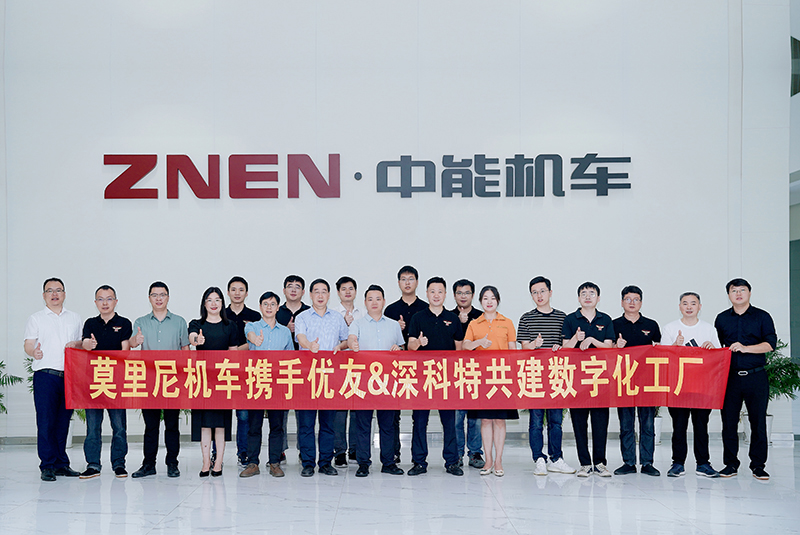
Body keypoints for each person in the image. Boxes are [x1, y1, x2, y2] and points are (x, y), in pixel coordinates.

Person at [714, 278, 777, 481]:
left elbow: (770, 344)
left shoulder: (762, 316)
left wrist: (745, 348)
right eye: (734, 291)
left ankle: (758, 466)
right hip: (730, 378)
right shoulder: (722, 318)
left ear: (749, 293)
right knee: (728, 422)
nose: (738, 294)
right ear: (729, 295)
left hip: (756, 376)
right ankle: (730, 464)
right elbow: (718, 347)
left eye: (742, 290)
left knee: (757, 422)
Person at [23, 278, 83, 482]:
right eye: (50, 290)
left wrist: (77, 344)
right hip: (45, 376)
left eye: (58, 290)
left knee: (63, 422)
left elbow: (81, 343)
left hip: (69, 376)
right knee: (46, 421)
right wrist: (34, 352)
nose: (54, 294)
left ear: (64, 294)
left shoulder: (74, 318)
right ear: (44, 295)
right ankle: (47, 465)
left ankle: (61, 464)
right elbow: (28, 344)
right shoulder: (36, 318)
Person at [130, 281, 189, 479]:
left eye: (162, 294)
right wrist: (135, 341)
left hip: (172, 381)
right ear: (149, 298)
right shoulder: (140, 322)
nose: (158, 298)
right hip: (149, 381)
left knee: (172, 425)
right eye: (154, 295)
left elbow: (185, 350)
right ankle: (149, 464)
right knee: (151, 426)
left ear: (168, 297)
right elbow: (131, 344)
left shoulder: (179, 322)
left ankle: (172, 463)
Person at [517, 276, 575, 476]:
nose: (539, 295)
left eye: (542, 291)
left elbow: (568, 346)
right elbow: (524, 348)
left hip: (556, 374)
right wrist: (535, 345)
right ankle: (539, 459)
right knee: (535, 421)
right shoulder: (526, 318)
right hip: (534, 375)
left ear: (550, 292)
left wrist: (560, 348)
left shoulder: (562, 317)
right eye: (534, 292)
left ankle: (556, 458)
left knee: (556, 421)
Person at [346, 284, 406, 477]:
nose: (374, 302)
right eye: (370, 299)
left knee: (387, 425)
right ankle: (363, 463)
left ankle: (388, 462)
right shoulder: (357, 324)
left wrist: (399, 350)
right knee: (363, 425)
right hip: (364, 381)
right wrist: (353, 344)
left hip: (388, 382)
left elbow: (402, 349)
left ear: (384, 302)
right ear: (365, 302)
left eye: (378, 299)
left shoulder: (393, 325)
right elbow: (351, 339)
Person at [407, 277, 463, 476]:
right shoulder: (418, 317)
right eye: (432, 291)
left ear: (445, 294)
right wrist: (419, 343)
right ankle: (419, 462)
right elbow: (410, 346)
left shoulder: (453, 318)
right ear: (427, 294)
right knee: (419, 421)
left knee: (449, 422)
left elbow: (459, 350)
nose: (436, 295)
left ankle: (452, 462)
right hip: (422, 378)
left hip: (446, 378)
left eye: (440, 291)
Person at [662, 292, 721, 478]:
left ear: (699, 307)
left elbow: (719, 357)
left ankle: (703, 463)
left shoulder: (709, 329)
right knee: (679, 426)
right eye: (685, 303)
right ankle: (677, 463)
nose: (689, 307)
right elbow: (663, 357)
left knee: (701, 426)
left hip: (702, 386)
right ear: (679, 306)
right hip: (678, 386)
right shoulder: (670, 328)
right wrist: (675, 345)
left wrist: (712, 349)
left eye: (693, 303)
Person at [294, 279, 349, 477]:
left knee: (328, 423)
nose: (320, 295)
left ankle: (326, 462)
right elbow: (300, 337)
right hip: (307, 376)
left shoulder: (337, 317)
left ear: (329, 295)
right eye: (316, 291)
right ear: (310, 295)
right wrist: (309, 345)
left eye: (324, 291)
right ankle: (308, 463)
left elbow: (346, 340)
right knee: (306, 423)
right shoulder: (302, 317)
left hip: (330, 378)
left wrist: (340, 346)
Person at [462, 286, 517, 477]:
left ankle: (499, 460)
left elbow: (513, 350)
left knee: (500, 420)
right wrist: (479, 343)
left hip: (502, 377)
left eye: (492, 298)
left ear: (498, 301)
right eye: (485, 298)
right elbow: (465, 345)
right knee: (485, 420)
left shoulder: (507, 322)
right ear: (480, 302)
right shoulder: (474, 323)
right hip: (481, 378)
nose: (489, 301)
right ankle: (488, 460)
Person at [562, 281, 615, 478]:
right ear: (578, 298)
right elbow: (565, 348)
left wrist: (592, 340)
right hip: (577, 380)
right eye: (583, 293)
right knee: (579, 423)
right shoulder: (570, 319)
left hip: (600, 379)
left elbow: (609, 347)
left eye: (592, 293)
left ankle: (600, 463)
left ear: (598, 298)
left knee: (600, 423)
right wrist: (576, 339)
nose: (587, 297)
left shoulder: (605, 319)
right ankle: (585, 463)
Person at [79, 285, 133, 479]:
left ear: (115, 301)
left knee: (119, 427)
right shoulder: (90, 323)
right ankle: (93, 464)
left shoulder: (124, 323)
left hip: (116, 382)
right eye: (100, 299)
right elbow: (85, 344)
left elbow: (125, 351)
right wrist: (88, 344)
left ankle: (119, 464)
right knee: (93, 427)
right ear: (95, 303)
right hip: (94, 382)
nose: (105, 303)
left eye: (109, 298)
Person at [240, 291, 294, 478]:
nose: (269, 307)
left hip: (277, 384)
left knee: (277, 425)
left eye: (272, 304)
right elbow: (249, 334)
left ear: (278, 307)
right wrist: (255, 339)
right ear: (260, 307)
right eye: (265, 304)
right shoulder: (253, 326)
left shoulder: (285, 332)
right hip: (257, 382)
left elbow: (290, 358)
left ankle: (274, 463)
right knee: (254, 425)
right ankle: (252, 463)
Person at [612, 285, 662, 477]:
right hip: (623, 380)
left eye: (636, 299)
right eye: (628, 299)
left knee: (647, 424)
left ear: (641, 302)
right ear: (621, 302)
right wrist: (616, 346)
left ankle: (647, 463)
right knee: (626, 424)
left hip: (647, 381)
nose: (632, 303)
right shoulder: (614, 324)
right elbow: (606, 352)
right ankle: (629, 462)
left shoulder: (651, 325)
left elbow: (660, 351)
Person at [188, 287, 238, 477]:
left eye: (217, 300)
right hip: (202, 380)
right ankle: (205, 462)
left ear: (222, 303)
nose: (214, 303)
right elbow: (192, 338)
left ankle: (218, 463)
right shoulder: (196, 324)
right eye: (210, 300)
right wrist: (197, 340)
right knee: (204, 424)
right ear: (204, 304)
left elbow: (233, 353)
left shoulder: (230, 326)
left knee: (220, 424)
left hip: (223, 380)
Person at [384, 266, 428, 464]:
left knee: (419, 414)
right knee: (393, 413)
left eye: (411, 279)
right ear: (398, 283)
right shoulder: (390, 310)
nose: (407, 282)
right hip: (395, 368)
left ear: (417, 282)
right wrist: (396, 328)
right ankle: (394, 453)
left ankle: (418, 457)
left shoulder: (426, 309)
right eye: (403, 279)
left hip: (420, 368)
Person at [225, 276, 261, 467]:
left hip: (247, 371)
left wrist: (235, 351)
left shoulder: (255, 316)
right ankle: (216, 454)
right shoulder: (220, 314)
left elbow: (257, 341)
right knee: (220, 414)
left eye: (241, 289)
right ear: (228, 292)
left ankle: (244, 453)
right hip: (223, 370)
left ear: (247, 293)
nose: (237, 293)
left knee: (244, 414)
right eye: (233, 289)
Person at [450, 278, 485, 470]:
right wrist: (459, 323)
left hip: (477, 372)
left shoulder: (481, 317)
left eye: (467, 293)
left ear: (473, 295)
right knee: (456, 417)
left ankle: (475, 452)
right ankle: (456, 454)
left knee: (475, 417)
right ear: (454, 295)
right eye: (459, 293)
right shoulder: (448, 317)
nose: (463, 296)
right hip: (454, 373)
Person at [275, 275, 310, 462]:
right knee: (280, 412)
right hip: (282, 368)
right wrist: (285, 331)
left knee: (303, 412)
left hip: (305, 368)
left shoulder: (309, 312)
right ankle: (279, 450)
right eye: (290, 286)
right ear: (284, 290)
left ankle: (304, 449)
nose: (294, 289)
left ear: (303, 292)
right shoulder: (276, 312)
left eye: (298, 286)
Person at [333, 276, 364, 467]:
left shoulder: (363, 313)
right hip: (338, 367)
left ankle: (354, 449)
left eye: (351, 288)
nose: (347, 292)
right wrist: (344, 324)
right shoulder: (333, 314)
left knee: (357, 410)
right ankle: (339, 451)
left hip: (359, 367)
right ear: (338, 292)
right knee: (339, 411)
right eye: (343, 289)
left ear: (355, 291)